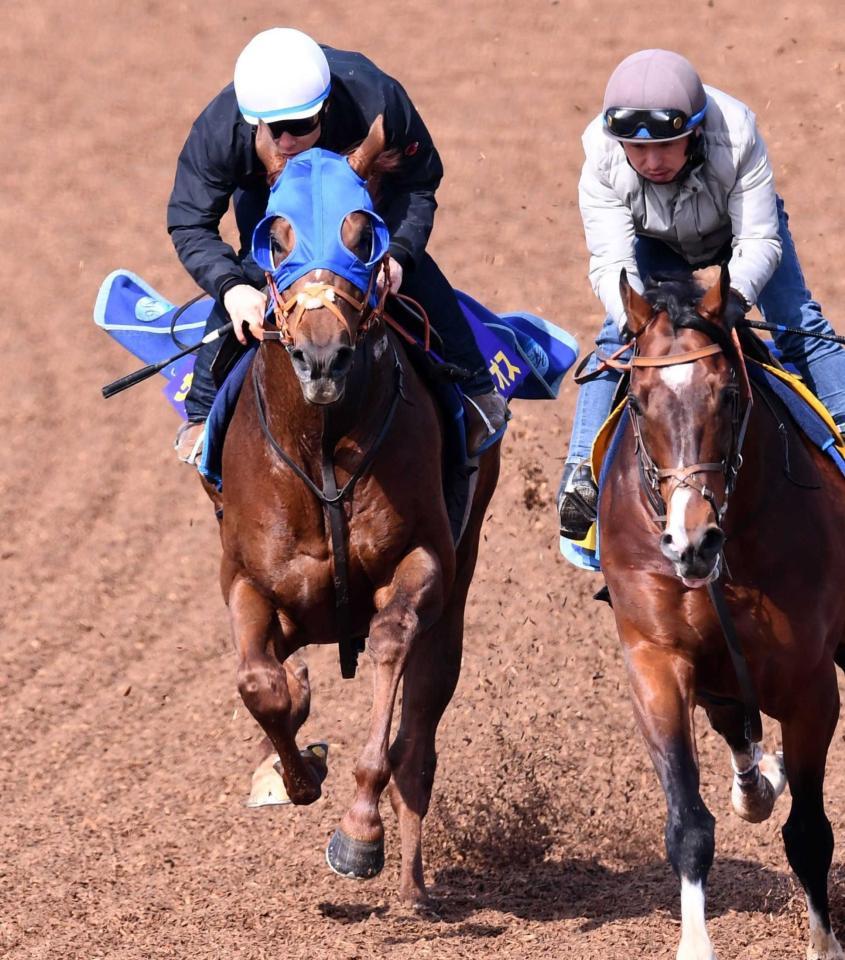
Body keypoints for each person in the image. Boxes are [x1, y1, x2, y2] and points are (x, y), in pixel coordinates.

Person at [168, 27, 507, 463]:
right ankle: (201, 410)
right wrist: (232, 290)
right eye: (274, 130)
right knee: (253, 274)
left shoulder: (379, 100)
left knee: (410, 272)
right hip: (274, 206)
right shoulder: (221, 129)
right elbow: (188, 222)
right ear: (253, 123)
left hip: (358, 207)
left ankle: (475, 386)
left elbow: (419, 185)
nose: (287, 141)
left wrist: (399, 255)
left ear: (325, 108)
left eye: (300, 125)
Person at [558, 48, 845, 541]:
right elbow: (611, 263)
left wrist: (726, 309)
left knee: (800, 323)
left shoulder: (736, 132)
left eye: (667, 145)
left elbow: (758, 240)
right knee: (616, 336)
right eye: (636, 148)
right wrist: (640, 321)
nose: (651, 162)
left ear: (694, 130)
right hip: (654, 245)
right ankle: (580, 473)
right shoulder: (600, 154)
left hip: (737, 233)